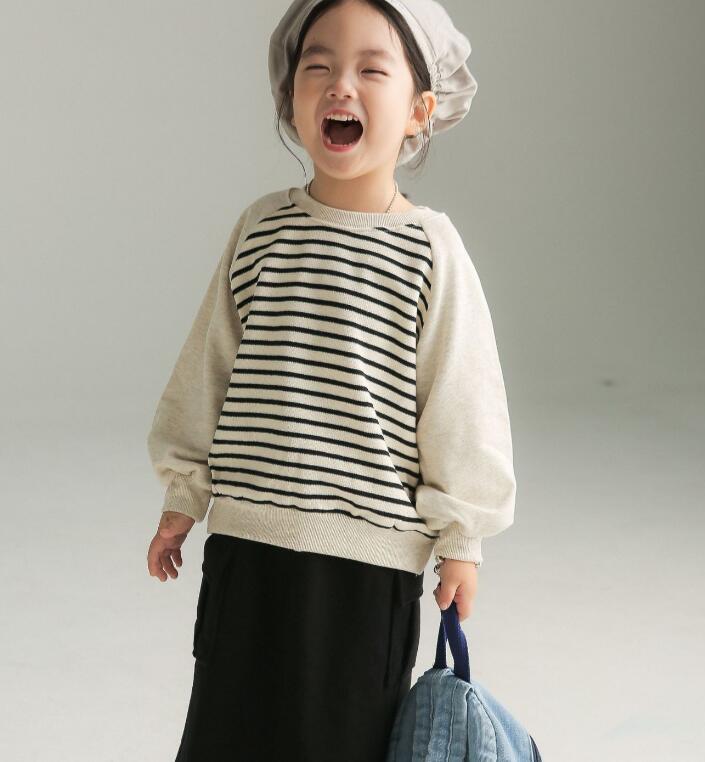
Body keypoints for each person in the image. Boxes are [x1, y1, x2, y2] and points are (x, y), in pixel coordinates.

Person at [145, 1, 517, 759]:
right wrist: (184, 494)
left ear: (420, 111)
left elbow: (461, 401)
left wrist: (462, 539)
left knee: (341, 741)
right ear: (291, 97)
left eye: (371, 70)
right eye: (317, 66)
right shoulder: (262, 230)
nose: (340, 84)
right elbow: (209, 364)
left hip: (366, 566)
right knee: (227, 733)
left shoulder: (429, 251)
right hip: (247, 544)